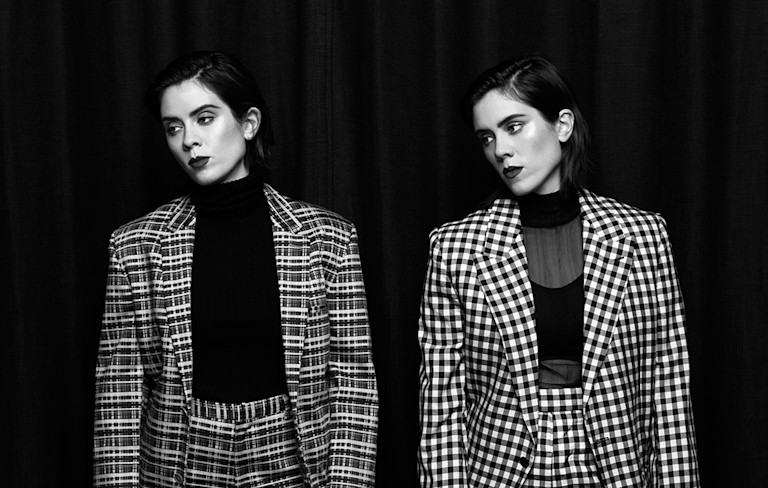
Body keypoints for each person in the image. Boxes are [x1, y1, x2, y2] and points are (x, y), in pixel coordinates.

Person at [93, 51, 378, 488]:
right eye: (173, 127)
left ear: (249, 123)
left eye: (205, 118)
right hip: (180, 464)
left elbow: (353, 382)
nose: (189, 141)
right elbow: (119, 393)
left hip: (294, 462)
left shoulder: (328, 238)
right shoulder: (135, 245)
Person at [417, 56, 699, 487]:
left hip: (617, 470)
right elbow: (441, 401)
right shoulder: (455, 248)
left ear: (562, 125)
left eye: (514, 126)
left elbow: (669, 386)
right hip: (499, 472)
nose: (500, 150)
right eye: (487, 137)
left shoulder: (641, 237)